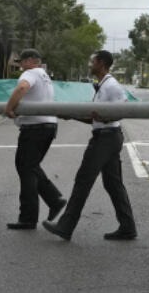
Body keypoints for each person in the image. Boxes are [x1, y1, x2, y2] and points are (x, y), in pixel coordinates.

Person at [43, 51, 137, 241]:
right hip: (107, 136)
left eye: (92, 61)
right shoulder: (103, 86)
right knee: (113, 184)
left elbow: (122, 110)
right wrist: (72, 115)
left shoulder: (111, 85)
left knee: (83, 180)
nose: (90, 64)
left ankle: (65, 226)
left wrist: (105, 117)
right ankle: (128, 227)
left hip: (106, 138)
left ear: (101, 64)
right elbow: (95, 118)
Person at [2, 48, 67, 230]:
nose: (21, 65)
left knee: (26, 168)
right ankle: (53, 201)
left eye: (22, 61)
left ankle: (31, 216)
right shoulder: (44, 75)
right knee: (30, 167)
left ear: (31, 60)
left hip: (34, 128)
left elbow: (22, 87)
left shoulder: (31, 74)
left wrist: (9, 107)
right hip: (48, 126)